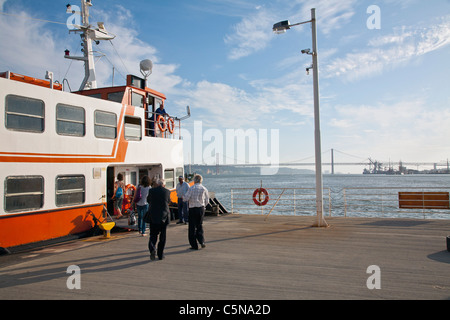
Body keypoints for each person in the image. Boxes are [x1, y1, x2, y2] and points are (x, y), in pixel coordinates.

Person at [145, 179, 171, 260]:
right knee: (162, 237)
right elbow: (169, 201)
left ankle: (152, 249)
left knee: (153, 235)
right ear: (164, 185)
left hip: (153, 216)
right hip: (164, 217)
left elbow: (148, 200)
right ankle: (160, 254)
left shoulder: (151, 191)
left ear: (157, 184)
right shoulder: (167, 192)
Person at [183, 174, 209, 250]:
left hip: (192, 208)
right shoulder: (204, 189)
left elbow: (186, 198)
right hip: (201, 208)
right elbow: (207, 201)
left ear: (194, 180)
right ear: (201, 180)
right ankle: (202, 241)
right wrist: (203, 205)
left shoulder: (191, 188)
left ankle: (194, 245)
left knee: (192, 227)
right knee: (199, 225)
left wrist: (183, 198)